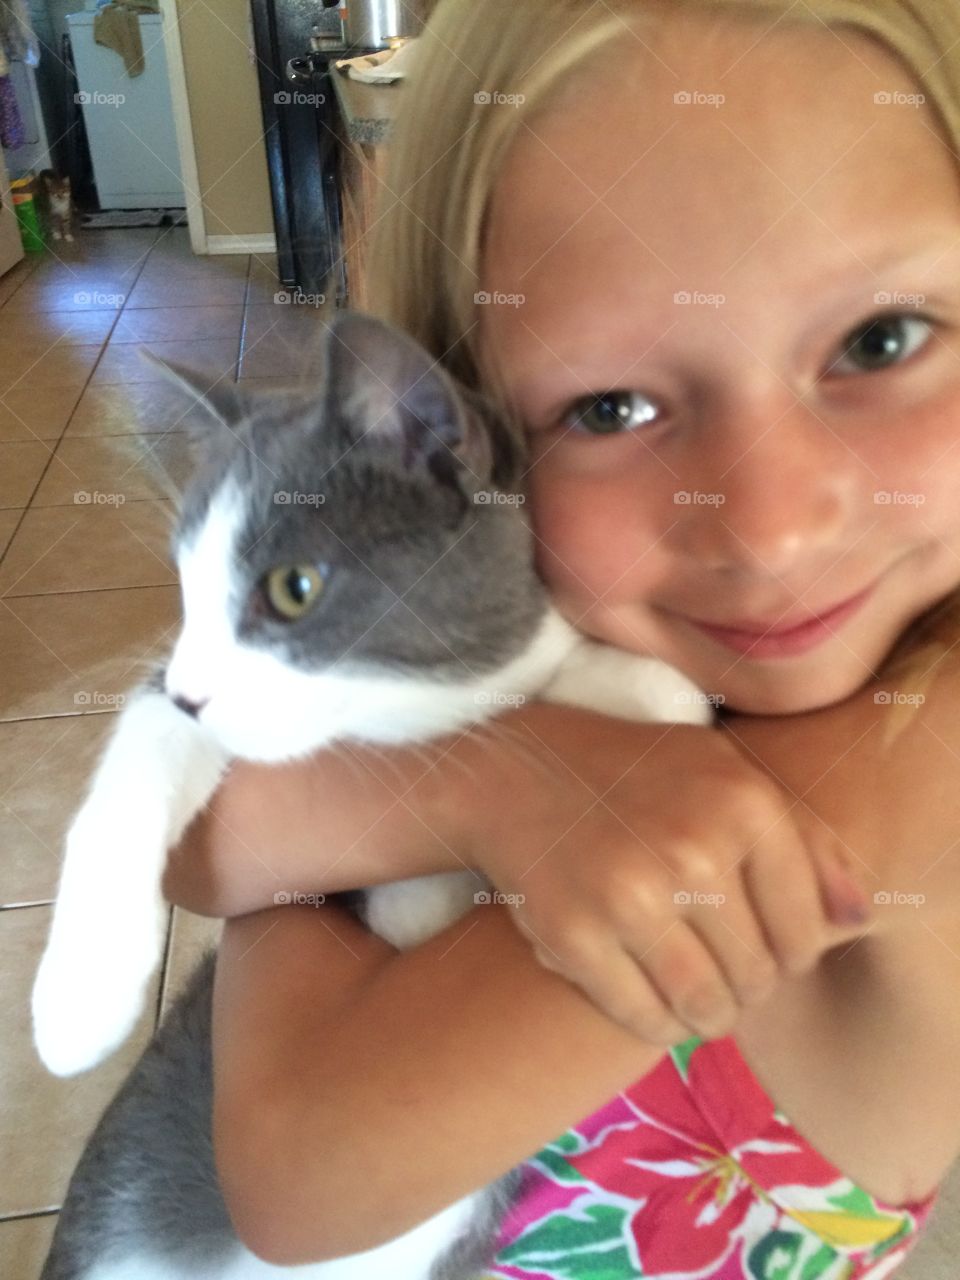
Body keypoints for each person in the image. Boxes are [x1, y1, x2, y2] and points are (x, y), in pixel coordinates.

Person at [165, 0, 960, 1275]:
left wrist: (459, 788)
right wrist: (511, 780)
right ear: (457, 437)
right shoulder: (543, 681)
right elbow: (196, 835)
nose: (766, 525)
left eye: (881, 339)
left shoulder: (918, 753)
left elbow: (301, 1170)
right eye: (613, 402)